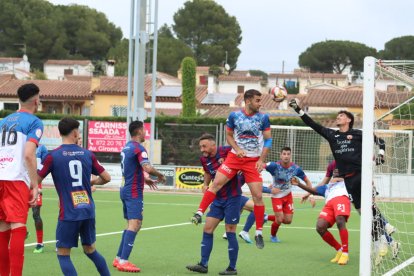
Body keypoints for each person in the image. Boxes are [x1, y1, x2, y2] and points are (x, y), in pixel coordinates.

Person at [288, 100, 396, 261]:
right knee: (362, 212)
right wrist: (298, 109)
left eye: (341, 116)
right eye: (338, 116)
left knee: (369, 206)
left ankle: (385, 232)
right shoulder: (333, 135)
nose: (338, 118)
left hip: (362, 174)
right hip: (348, 181)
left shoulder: (359, 133)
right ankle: (383, 238)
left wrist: (380, 154)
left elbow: (380, 141)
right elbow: (313, 124)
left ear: (348, 120)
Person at [191, 89, 272, 249]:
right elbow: (228, 135)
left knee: (257, 195)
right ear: (248, 100)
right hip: (235, 158)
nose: (260, 103)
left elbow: (268, 141)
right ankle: (199, 212)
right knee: (216, 184)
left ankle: (259, 233)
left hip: (252, 161)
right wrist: (237, 148)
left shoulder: (263, 118)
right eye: (257, 100)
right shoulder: (235, 116)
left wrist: (262, 160)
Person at [37, 117, 111, 276]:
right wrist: (92, 183)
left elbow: (36, 179)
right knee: (90, 250)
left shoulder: (53, 156)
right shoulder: (87, 154)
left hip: (69, 212)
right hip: (87, 210)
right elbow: (107, 178)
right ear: (76, 132)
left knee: (63, 254)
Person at [0, 83, 43, 276]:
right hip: (16, 179)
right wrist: (35, 184)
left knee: (2, 227)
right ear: (36, 100)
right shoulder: (34, 122)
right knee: (18, 226)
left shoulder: (3, 121)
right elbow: (28, 155)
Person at [186, 133, 244, 275]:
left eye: (204, 146)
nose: (202, 149)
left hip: (233, 198)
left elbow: (242, 154)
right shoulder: (204, 159)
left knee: (230, 231)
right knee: (207, 229)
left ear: (213, 145)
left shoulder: (227, 151)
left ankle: (232, 268)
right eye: (200, 147)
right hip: (217, 199)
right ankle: (203, 265)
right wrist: (205, 183)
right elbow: (207, 171)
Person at [113, 120, 166, 273]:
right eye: (144, 130)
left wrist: (145, 179)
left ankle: (118, 258)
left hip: (125, 188)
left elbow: (131, 169)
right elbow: (147, 167)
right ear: (138, 131)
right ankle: (123, 261)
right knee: (135, 224)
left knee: (130, 224)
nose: (145, 132)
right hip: (133, 191)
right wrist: (159, 175)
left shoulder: (127, 147)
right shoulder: (138, 148)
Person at [291, 164, 351, 265]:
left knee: (340, 220)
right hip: (329, 204)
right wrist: (299, 184)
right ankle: (339, 249)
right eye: (334, 170)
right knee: (320, 227)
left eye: (338, 169)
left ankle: (345, 253)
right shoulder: (327, 187)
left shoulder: (347, 183)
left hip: (341, 198)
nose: (335, 170)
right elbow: (314, 190)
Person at [264, 147, 315, 243]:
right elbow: (259, 166)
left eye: (288, 154)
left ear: (291, 155)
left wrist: (310, 195)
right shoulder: (274, 166)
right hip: (276, 196)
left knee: (288, 220)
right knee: (279, 219)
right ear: (280, 155)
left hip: (288, 195)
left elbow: (307, 181)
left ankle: (265, 217)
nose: (286, 156)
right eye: (284, 154)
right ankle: (273, 236)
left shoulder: (296, 169)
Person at [31, 143, 48, 253]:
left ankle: (40, 243)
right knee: (15, 212)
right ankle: (24, 232)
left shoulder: (41, 147)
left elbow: (46, 164)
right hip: (22, 181)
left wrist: (37, 185)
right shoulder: (21, 144)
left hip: (36, 182)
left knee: (35, 214)